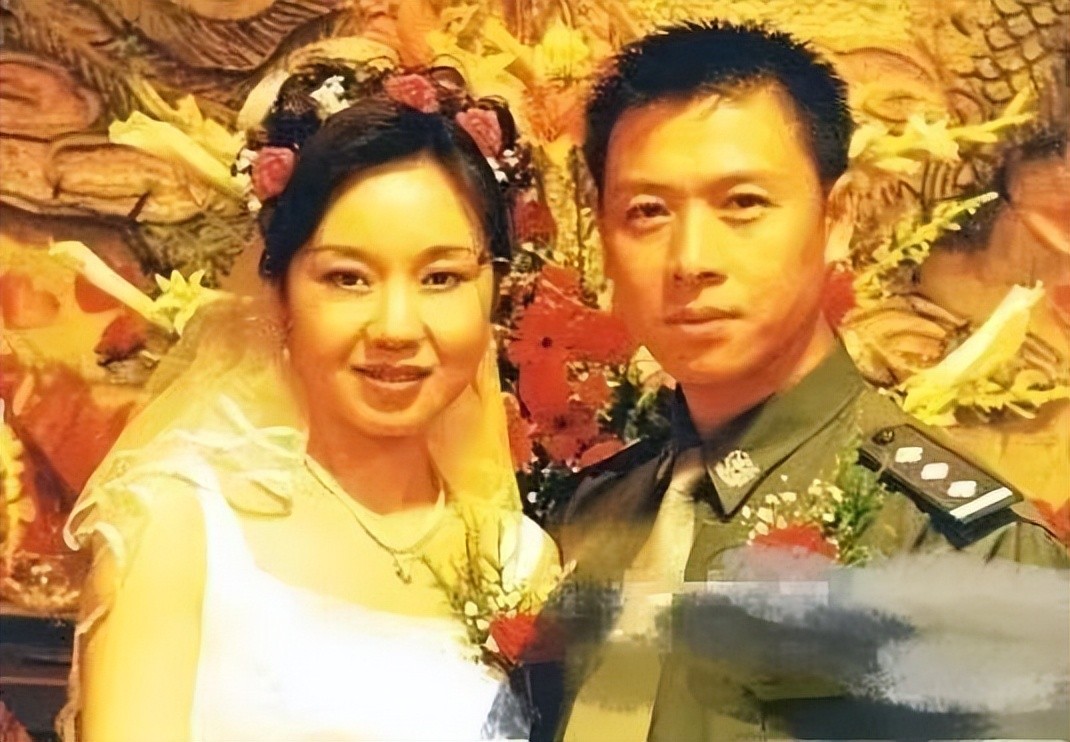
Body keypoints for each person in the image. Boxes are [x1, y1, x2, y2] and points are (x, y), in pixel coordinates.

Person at [540, 20, 1070, 741]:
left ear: (837, 218)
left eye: (743, 204)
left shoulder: (961, 550)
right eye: (647, 212)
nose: (691, 259)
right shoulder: (595, 512)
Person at [59, 64, 560, 741]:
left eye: (441, 277)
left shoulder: (521, 563)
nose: (395, 327)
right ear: (281, 291)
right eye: (347, 278)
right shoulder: (183, 525)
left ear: (496, 289)